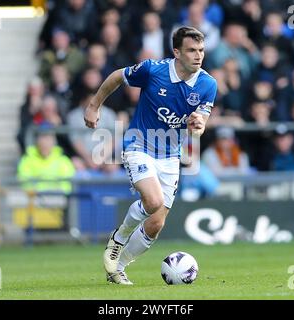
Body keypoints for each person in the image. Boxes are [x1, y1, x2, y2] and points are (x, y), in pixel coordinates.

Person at [84, 27, 216, 284]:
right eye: (191, 50)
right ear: (177, 52)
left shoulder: (208, 84)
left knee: (156, 224)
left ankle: (117, 268)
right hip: (139, 144)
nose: (198, 55)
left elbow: (201, 122)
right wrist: (93, 105)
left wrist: (198, 124)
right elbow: (117, 76)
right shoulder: (153, 71)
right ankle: (119, 238)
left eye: (201, 50)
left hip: (170, 155)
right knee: (153, 201)